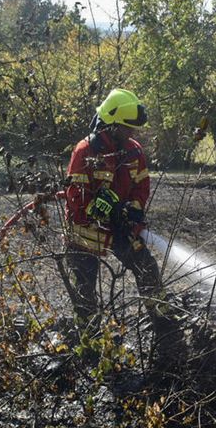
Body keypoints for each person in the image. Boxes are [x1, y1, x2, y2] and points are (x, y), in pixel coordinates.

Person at [63, 88, 184, 377]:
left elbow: (142, 185)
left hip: (122, 228)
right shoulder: (86, 151)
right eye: (128, 127)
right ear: (112, 123)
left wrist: (132, 208)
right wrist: (103, 209)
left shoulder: (133, 150)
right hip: (86, 232)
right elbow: (76, 201)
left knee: (147, 268)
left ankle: (164, 323)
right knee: (85, 289)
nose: (132, 132)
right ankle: (91, 345)